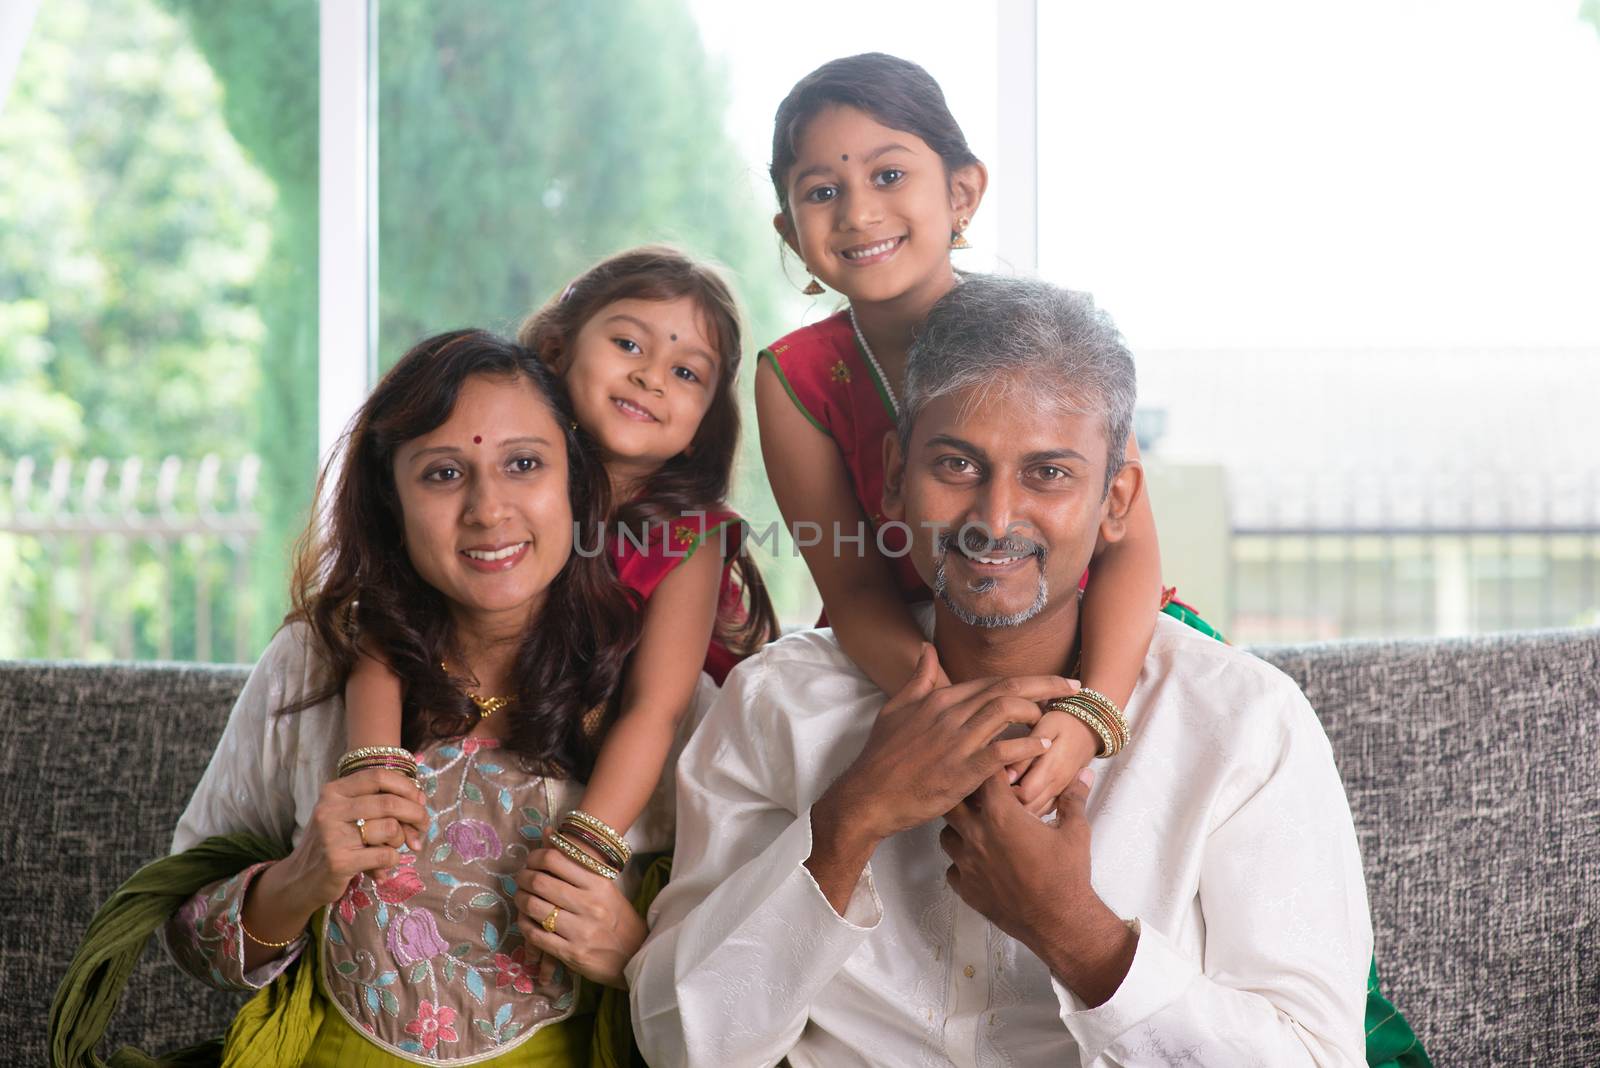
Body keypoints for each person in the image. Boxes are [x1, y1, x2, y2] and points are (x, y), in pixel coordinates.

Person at [631, 276, 1373, 1067]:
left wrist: (1077, 933)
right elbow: (676, 1043)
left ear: (1114, 501)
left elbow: (1319, 1057)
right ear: (891, 477)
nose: (994, 518)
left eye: (1049, 474)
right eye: (956, 465)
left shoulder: (1242, 724)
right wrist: (848, 821)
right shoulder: (779, 703)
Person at [163, 330, 680, 1063]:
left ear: (576, 481)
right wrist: (302, 876)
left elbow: (747, 987)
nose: (488, 509)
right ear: (390, 500)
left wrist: (638, 952)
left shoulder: (652, 697)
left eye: (524, 464)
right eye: (443, 474)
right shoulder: (313, 665)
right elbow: (189, 940)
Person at [755, 53, 1179, 818]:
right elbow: (851, 585)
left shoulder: (1050, 340)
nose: (857, 213)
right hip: (911, 660)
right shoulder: (796, 378)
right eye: (824, 192)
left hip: (1079, 642)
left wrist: (1092, 715)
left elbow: (1131, 547)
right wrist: (966, 724)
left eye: (888, 176)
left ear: (962, 191)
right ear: (791, 231)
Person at [343, 247, 777, 979]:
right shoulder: (502, 508)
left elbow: (655, 709)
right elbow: (382, 623)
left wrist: (589, 844)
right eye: (629, 344)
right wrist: (375, 775)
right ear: (554, 349)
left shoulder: (689, 535)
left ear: (705, 419)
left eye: (686, 372)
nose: (649, 375)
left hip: (658, 752)